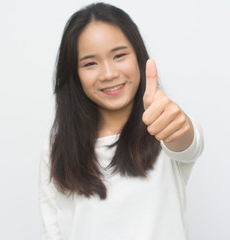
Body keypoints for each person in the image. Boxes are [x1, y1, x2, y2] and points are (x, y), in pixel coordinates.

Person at [39, 2, 204, 240]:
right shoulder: (55, 146)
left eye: (119, 55)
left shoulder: (165, 126)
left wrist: (178, 127)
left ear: (138, 55)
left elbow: (189, 143)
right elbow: (52, 231)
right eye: (90, 63)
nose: (108, 74)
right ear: (74, 73)